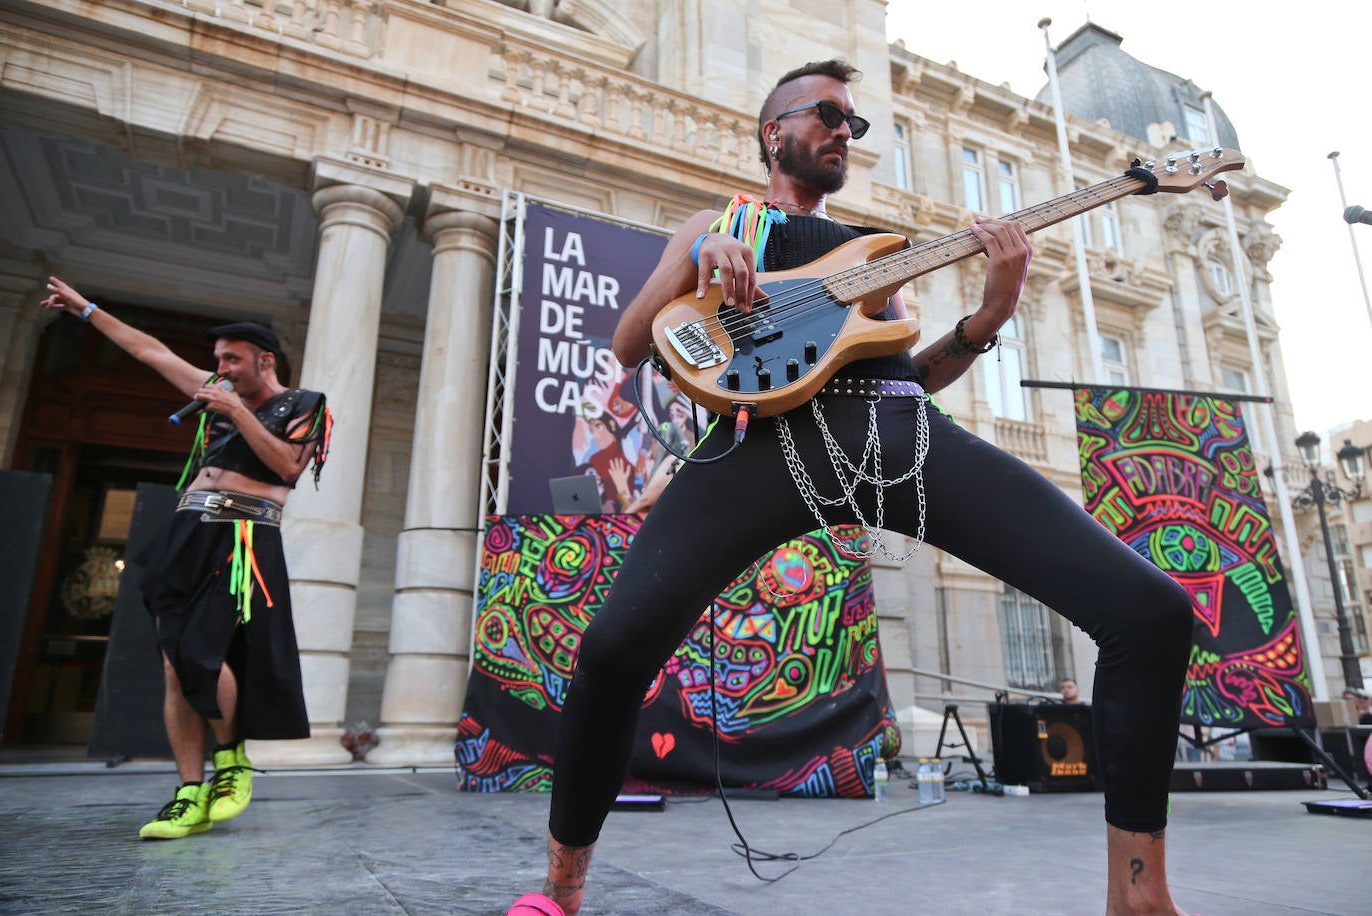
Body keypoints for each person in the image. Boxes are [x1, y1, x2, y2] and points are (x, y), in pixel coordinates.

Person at [509, 59, 1193, 916]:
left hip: (895, 436)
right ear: (775, 132)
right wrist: (700, 257)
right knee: (610, 652)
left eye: (854, 124)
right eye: (829, 114)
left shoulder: (873, 254)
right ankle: (560, 891)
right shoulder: (717, 225)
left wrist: (987, 321)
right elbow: (628, 344)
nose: (844, 132)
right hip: (756, 453)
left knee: (1153, 613)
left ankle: (1140, 897)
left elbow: (915, 373)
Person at [41, 276, 331, 840]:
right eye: (217, 360)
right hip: (187, 530)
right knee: (175, 665)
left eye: (231, 360)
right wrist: (87, 310)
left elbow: (289, 468)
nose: (220, 368)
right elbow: (149, 349)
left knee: (201, 653)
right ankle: (189, 792)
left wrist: (235, 409)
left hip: (242, 534)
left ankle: (232, 760)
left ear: (264, 360)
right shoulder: (216, 392)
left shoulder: (305, 404)